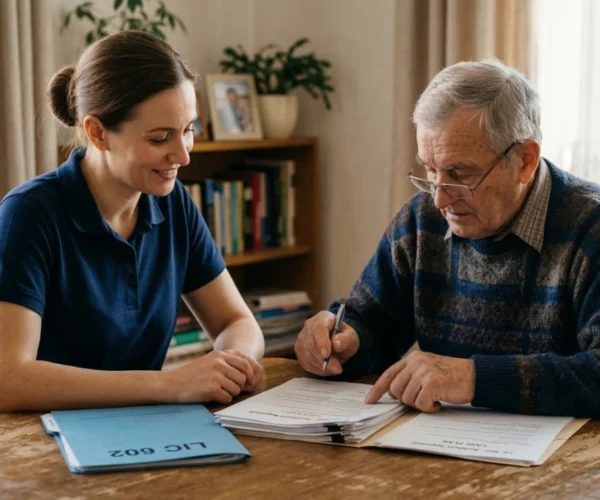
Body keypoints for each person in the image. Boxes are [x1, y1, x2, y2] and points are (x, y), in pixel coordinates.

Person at [295, 59, 600, 418]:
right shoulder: (420, 218)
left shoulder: (589, 228)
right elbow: (372, 320)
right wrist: (343, 340)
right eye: (430, 169)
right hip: (443, 453)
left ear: (525, 161)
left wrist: (474, 377)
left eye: (459, 173)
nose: (439, 198)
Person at [0, 31, 265, 411]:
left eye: (188, 130)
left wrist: (233, 363)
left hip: (145, 433)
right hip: (44, 446)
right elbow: (8, 378)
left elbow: (235, 322)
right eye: (160, 138)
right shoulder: (28, 214)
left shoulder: (174, 204)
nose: (183, 156)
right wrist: (168, 385)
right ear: (97, 133)